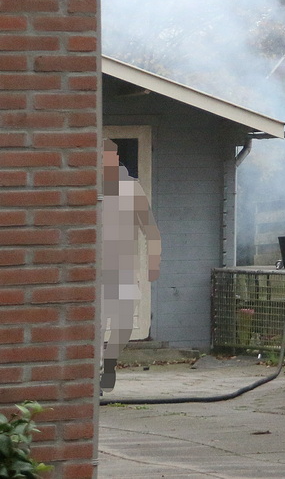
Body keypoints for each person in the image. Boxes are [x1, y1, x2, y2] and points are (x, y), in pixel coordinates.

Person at [99, 139, 162, 391]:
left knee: (123, 323)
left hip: (125, 267)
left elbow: (151, 229)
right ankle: (95, 371)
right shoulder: (91, 188)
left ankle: (110, 363)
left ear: (115, 159)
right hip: (96, 272)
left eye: (106, 158)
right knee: (97, 324)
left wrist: (154, 261)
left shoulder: (132, 189)